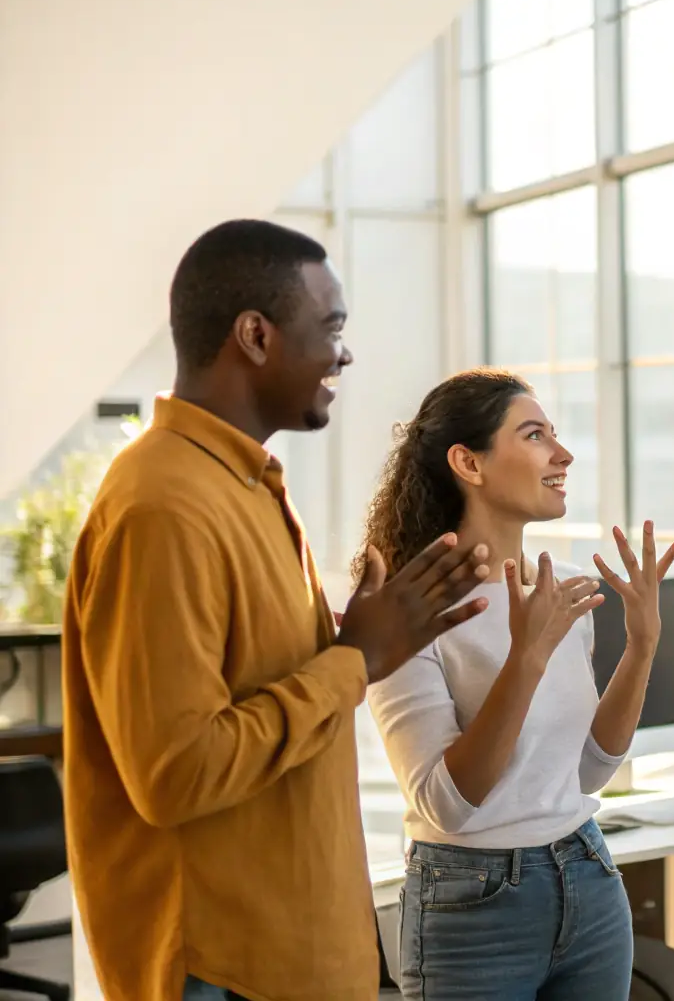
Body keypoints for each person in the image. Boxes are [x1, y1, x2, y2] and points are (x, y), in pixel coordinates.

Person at [62, 219, 493, 1001]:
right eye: (331, 328)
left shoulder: (242, 484)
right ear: (256, 336)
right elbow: (177, 774)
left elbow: (260, 692)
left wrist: (357, 644)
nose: (344, 354)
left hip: (294, 954)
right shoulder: (163, 506)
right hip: (225, 970)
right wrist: (355, 661)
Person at [361, 368, 674, 1001]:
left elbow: (587, 773)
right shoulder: (404, 614)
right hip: (471, 906)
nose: (563, 454)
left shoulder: (560, 587)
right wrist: (525, 658)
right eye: (535, 435)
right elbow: (448, 804)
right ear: (469, 463)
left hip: (588, 877)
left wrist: (642, 645)